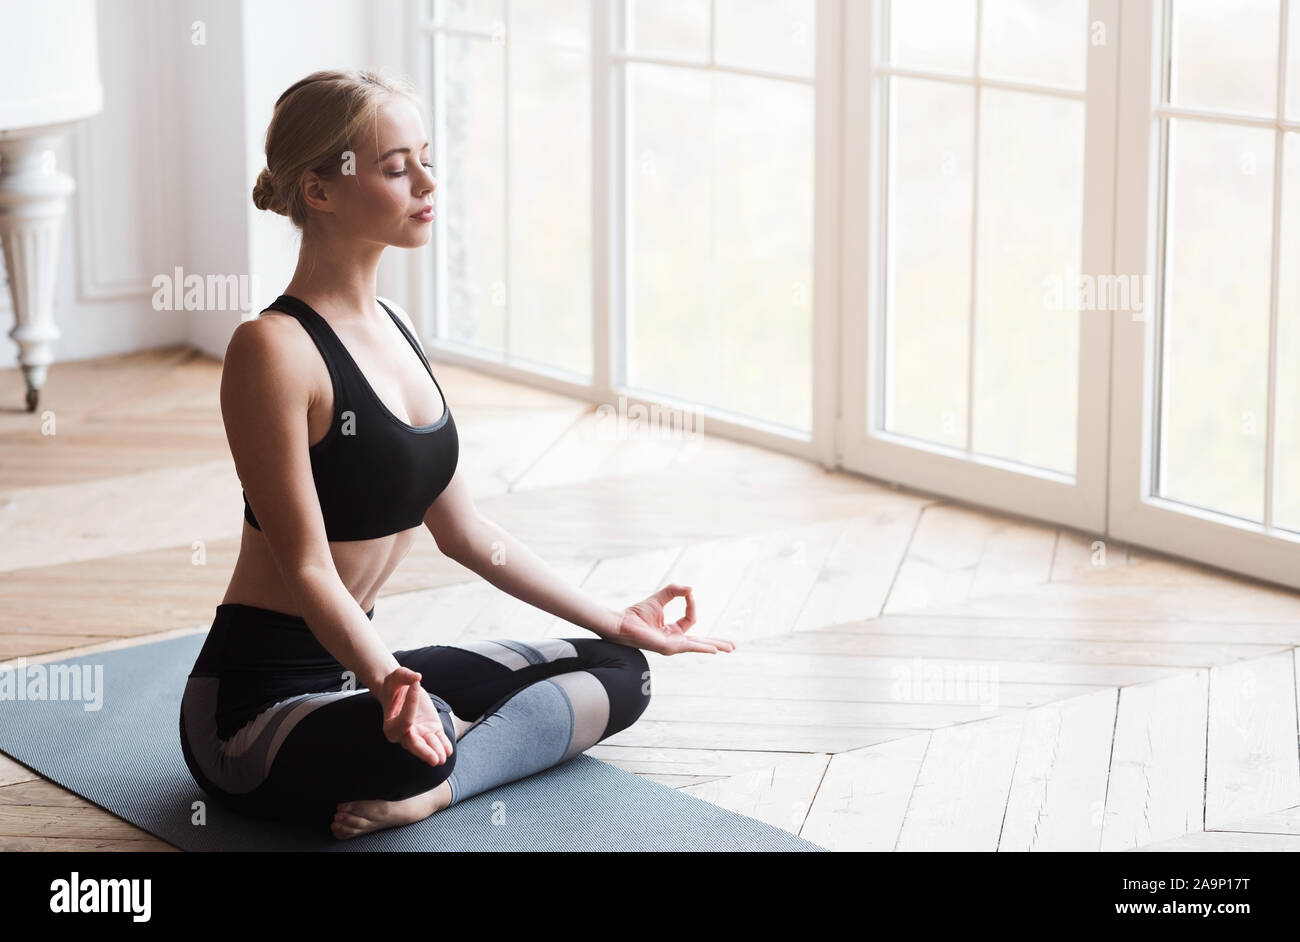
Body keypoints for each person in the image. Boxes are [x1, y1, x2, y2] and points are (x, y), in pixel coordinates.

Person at [177, 69, 735, 841]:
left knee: (622, 670)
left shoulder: (399, 325)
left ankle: (443, 784)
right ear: (321, 190)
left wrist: (618, 615)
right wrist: (386, 683)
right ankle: (438, 760)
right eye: (396, 167)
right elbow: (308, 568)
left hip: (371, 672)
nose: (428, 182)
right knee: (423, 729)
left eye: (426, 157)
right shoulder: (271, 350)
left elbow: (467, 532)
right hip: (255, 710)